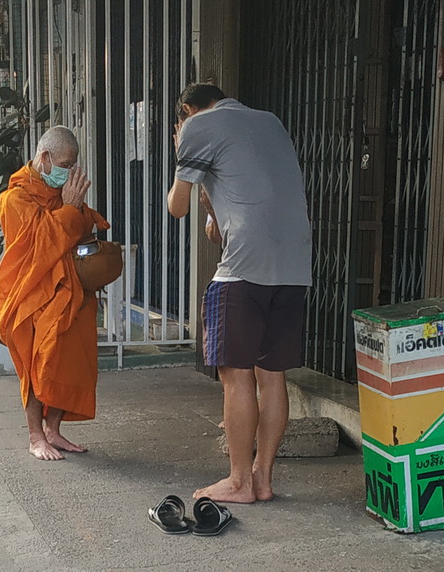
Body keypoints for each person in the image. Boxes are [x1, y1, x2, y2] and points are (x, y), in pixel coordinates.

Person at [168, 84, 313, 504]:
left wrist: (182, 148)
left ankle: (238, 481)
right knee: (273, 375)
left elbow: (177, 207)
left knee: (235, 375)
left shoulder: (198, 127)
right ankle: (262, 478)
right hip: (294, 264)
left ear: (188, 109)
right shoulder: (270, 122)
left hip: (243, 269)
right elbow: (220, 226)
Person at [0, 126, 110, 461]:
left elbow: (80, 230)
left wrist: (76, 208)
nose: (69, 172)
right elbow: (40, 244)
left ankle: (53, 430)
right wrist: (71, 208)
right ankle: (35, 436)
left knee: (68, 362)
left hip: (68, 290)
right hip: (30, 293)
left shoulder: (60, 194)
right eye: (65, 165)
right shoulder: (15, 198)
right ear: (44, 158)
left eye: (73, 166)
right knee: (37, 364)